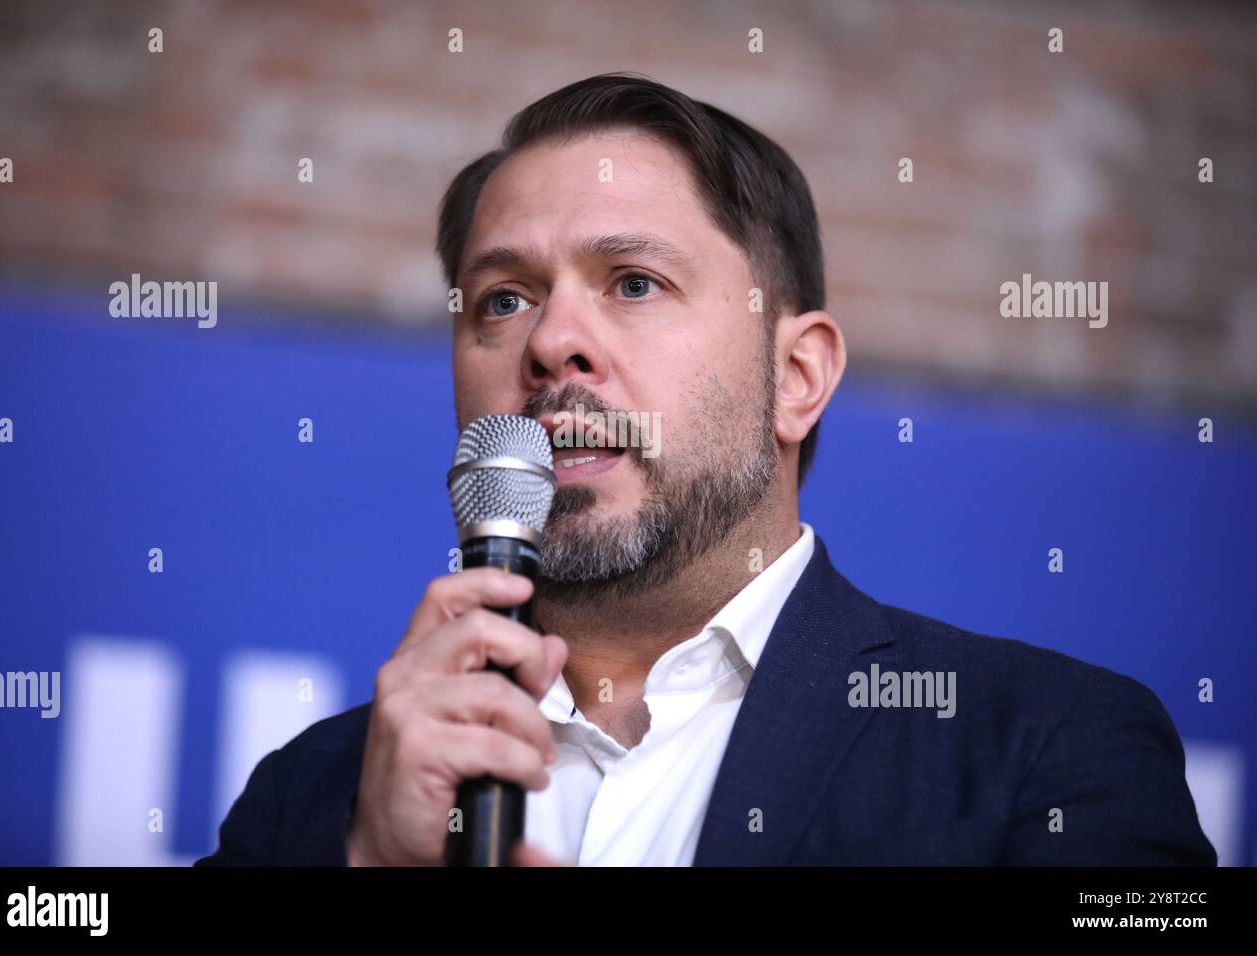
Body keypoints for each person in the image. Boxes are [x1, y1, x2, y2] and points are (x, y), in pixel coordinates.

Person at [196, 72, 1214, 867]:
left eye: (632, 281)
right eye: (501, 299)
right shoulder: (314, 794)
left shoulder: (1046, 747)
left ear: (796, 374)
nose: (551, 343)